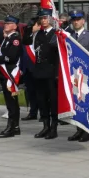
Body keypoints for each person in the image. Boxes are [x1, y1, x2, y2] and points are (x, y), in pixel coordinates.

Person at [64, 11, 89, 143]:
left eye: (78, 19)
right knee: (76, 104)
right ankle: (78, 130)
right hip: (74, 76)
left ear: (83, 21)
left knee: (85, 104)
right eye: (73, 20)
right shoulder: (71, 35)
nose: (75, 22)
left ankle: (85, 131)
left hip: (86, 77)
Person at [31, 8, 59, 139]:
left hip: (51, 72)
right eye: (41, 18)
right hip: (39, 71)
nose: (43, 20)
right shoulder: (38, 34)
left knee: (53, 101)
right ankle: (45, 126)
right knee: (41, 100)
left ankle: (53, 127)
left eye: (45, 18)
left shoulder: (56, 34)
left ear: (51, 19)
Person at [0, 15, 24, 138]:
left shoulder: (15, 39)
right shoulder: (7, 38)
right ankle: (15, 126)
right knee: (9, 101)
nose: (5, 25)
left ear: (14, 26)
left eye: (8, 23)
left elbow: (11, 57)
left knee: (11, 102)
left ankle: (11, 127)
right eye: (5, 23)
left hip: (10, 73)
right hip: (5, 72)